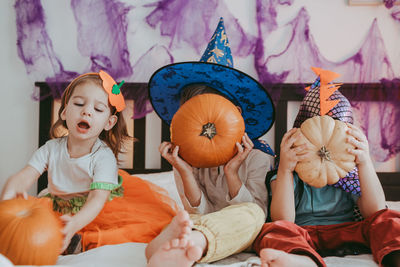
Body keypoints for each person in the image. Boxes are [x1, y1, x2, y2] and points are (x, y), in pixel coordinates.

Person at [1, 71, 178, 254]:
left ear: (109, 122)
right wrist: (10, 191)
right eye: (79, 104)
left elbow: (96, 199)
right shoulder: (51, 149)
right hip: (59, 205)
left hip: (98, 209)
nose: (87, 111)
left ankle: (82, 240)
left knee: (126, 232)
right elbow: (26, 175)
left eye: (98, 109)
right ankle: (71, 239)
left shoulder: (103, 157)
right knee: (29, 229)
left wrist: (75, 223)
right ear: (64, 112)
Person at [146, 18, 276, 266]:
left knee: (253, 214)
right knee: (187, 219)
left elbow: (258, 214)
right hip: (202, 225)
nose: (202, 124)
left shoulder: (258, 157)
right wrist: (184, 170)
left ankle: (191, 244)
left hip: (243, 231)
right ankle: (169, 249)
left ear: (236, 113)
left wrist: (231, 172)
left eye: (207, 111)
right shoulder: (188, 157)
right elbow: (200, 212)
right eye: (191, 115)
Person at [253, 67, 400, 267]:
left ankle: (394, 257)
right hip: (303, 235)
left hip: (348, 232)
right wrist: (286, 169)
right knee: (273, 230)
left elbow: (374, 211)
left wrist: (365, 162)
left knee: (389, 218)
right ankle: (301, 260)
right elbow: (284, 218)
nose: (325, 145)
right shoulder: (287, 171)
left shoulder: (349, 172)